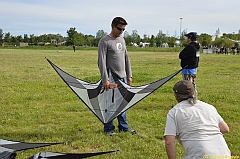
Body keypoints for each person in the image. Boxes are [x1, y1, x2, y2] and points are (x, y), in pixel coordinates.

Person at [164, 80, 230, 159]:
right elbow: (225, 129)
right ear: (194, 92)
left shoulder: (174, 112)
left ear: (176, 96)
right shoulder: (209, 107)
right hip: (223, 153)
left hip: (199, 155)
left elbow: (169, 142)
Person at [98, 17, 136, 136]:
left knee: (122, 103)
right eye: (119, 28)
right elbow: (101, 62)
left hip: (123, 78)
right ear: (112, 26)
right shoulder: (104, 41)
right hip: (111, 78)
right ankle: (109, 129)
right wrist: (105, 80)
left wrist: (129, 75)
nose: (121, 31)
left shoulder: (122, 40)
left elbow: (126, 58)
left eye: (123, 29)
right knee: (110, 103)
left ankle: (123, 127)